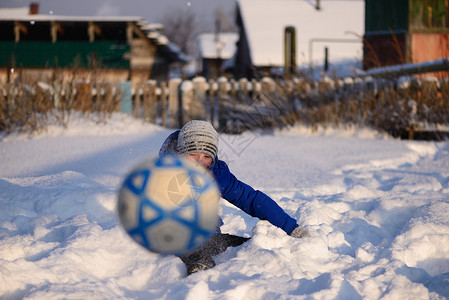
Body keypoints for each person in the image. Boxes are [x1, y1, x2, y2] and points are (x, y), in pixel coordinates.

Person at [159, 120, 309, 275]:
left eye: (206, 156)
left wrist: (291, 227)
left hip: (210, 237)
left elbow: (251, 199)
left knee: (248, 247)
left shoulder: (216, 174)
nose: (200, 162)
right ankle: (199, 271)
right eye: (193, 155)